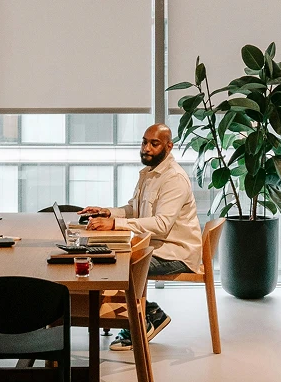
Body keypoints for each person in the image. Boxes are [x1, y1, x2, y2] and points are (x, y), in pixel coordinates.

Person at [80, 123, 203, 350]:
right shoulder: (148, 173)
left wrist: (115, 224)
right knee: (110, 256)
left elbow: (162, 224)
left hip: (175, 252)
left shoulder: (174, 179)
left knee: (120, 266)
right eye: (144, 142)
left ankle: (142, 320)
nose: (146, 148)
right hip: (154, 245)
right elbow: (134, 209)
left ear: (168, 146)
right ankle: (150, 312)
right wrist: (108, 212)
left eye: (154, 144)